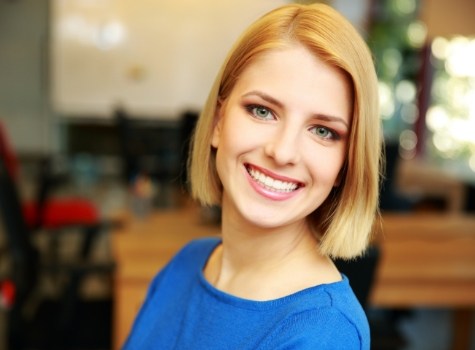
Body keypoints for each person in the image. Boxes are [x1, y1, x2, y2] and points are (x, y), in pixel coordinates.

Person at [124, 3, 381, 349]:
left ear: (345, 165)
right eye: (262, 111)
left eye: (322, 131)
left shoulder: (324, 333)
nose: (283, 151)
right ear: (218, 122)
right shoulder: (186, 263)